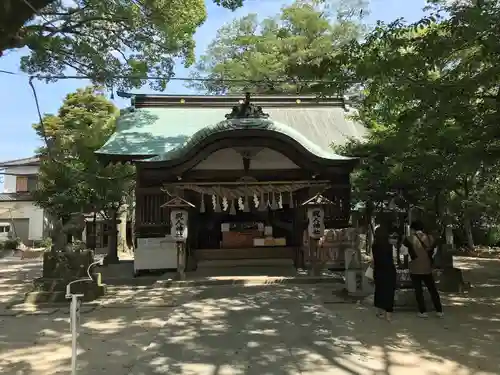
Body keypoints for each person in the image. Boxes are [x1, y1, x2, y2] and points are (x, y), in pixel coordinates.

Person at [404, 221, 443, 318]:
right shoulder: (430, 238)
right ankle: (439, 310)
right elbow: (434, 252)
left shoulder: (409, 239)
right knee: (432, 289)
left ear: (412, 229)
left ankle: (423, 311)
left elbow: (404, 252)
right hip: (427, 268)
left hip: (414, 268)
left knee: (418, 290)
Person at [372, 224, 397, 321]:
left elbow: (373, 259)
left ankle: (379, 312)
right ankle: (388, 315)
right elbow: (394, 258)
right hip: (389, 270)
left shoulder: (374, 245)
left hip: (378, 270)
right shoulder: (390, 245)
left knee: (379, 290)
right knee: (389, 292)